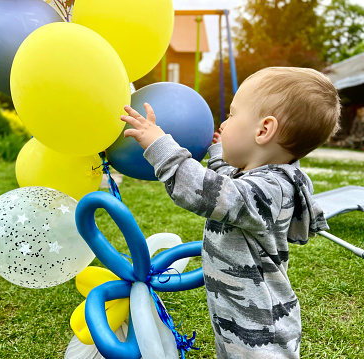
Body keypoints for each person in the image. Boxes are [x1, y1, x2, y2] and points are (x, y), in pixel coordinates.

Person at [120, 67, 341, 358]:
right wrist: (218, 153)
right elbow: (233, 186)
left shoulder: (273, 189)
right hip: (237, 323)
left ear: (263, 130)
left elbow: (209, 193)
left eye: (232, 114)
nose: (226, 122)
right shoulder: (260, 181)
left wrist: (160, 145)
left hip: (261, 336)